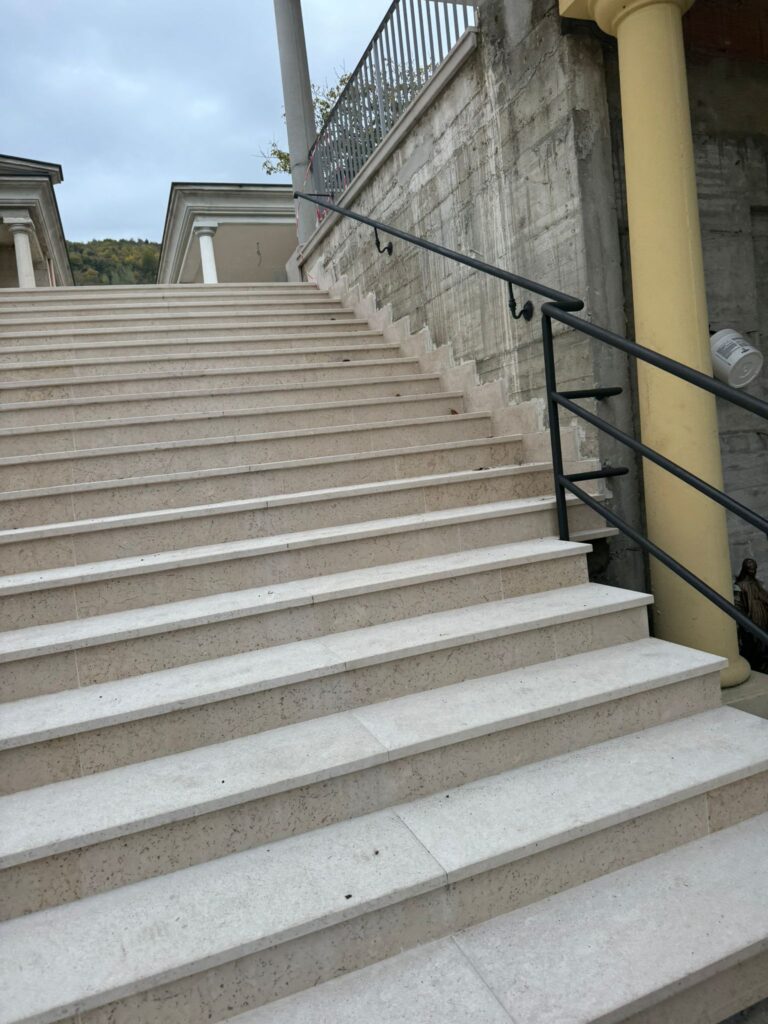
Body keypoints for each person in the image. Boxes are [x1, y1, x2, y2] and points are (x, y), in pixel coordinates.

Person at [734, 558, 768, 671]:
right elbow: (738, 605)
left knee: (763, 643)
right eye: (750, 569)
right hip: (751, 620)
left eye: (754, 569)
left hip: (763, 618)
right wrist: (745, 622)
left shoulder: (756, 583)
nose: (753, 571)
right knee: (754, 645)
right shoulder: (739, 585)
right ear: (745, 569)